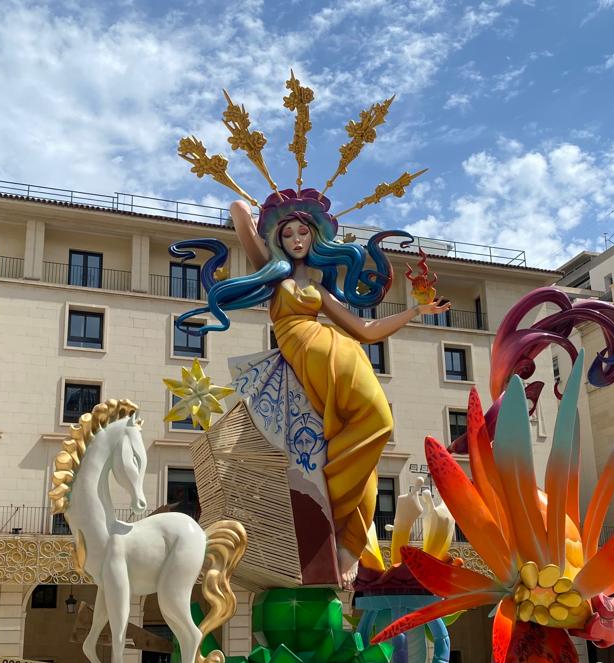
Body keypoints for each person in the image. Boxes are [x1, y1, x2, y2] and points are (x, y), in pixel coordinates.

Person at [173, 190, 449, 573]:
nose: (297, 240)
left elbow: (366, 330)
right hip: (305, 358)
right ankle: (327, 512)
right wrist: (255, 208)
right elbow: (239, 213)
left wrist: (417, 310)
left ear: (314, 238)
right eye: (288, 234)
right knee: (366, 427)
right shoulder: (272, 272)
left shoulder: (318, 291)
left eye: (303, 232)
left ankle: (340, 521)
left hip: (341, 355)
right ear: (277, 240)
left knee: (379, 425)